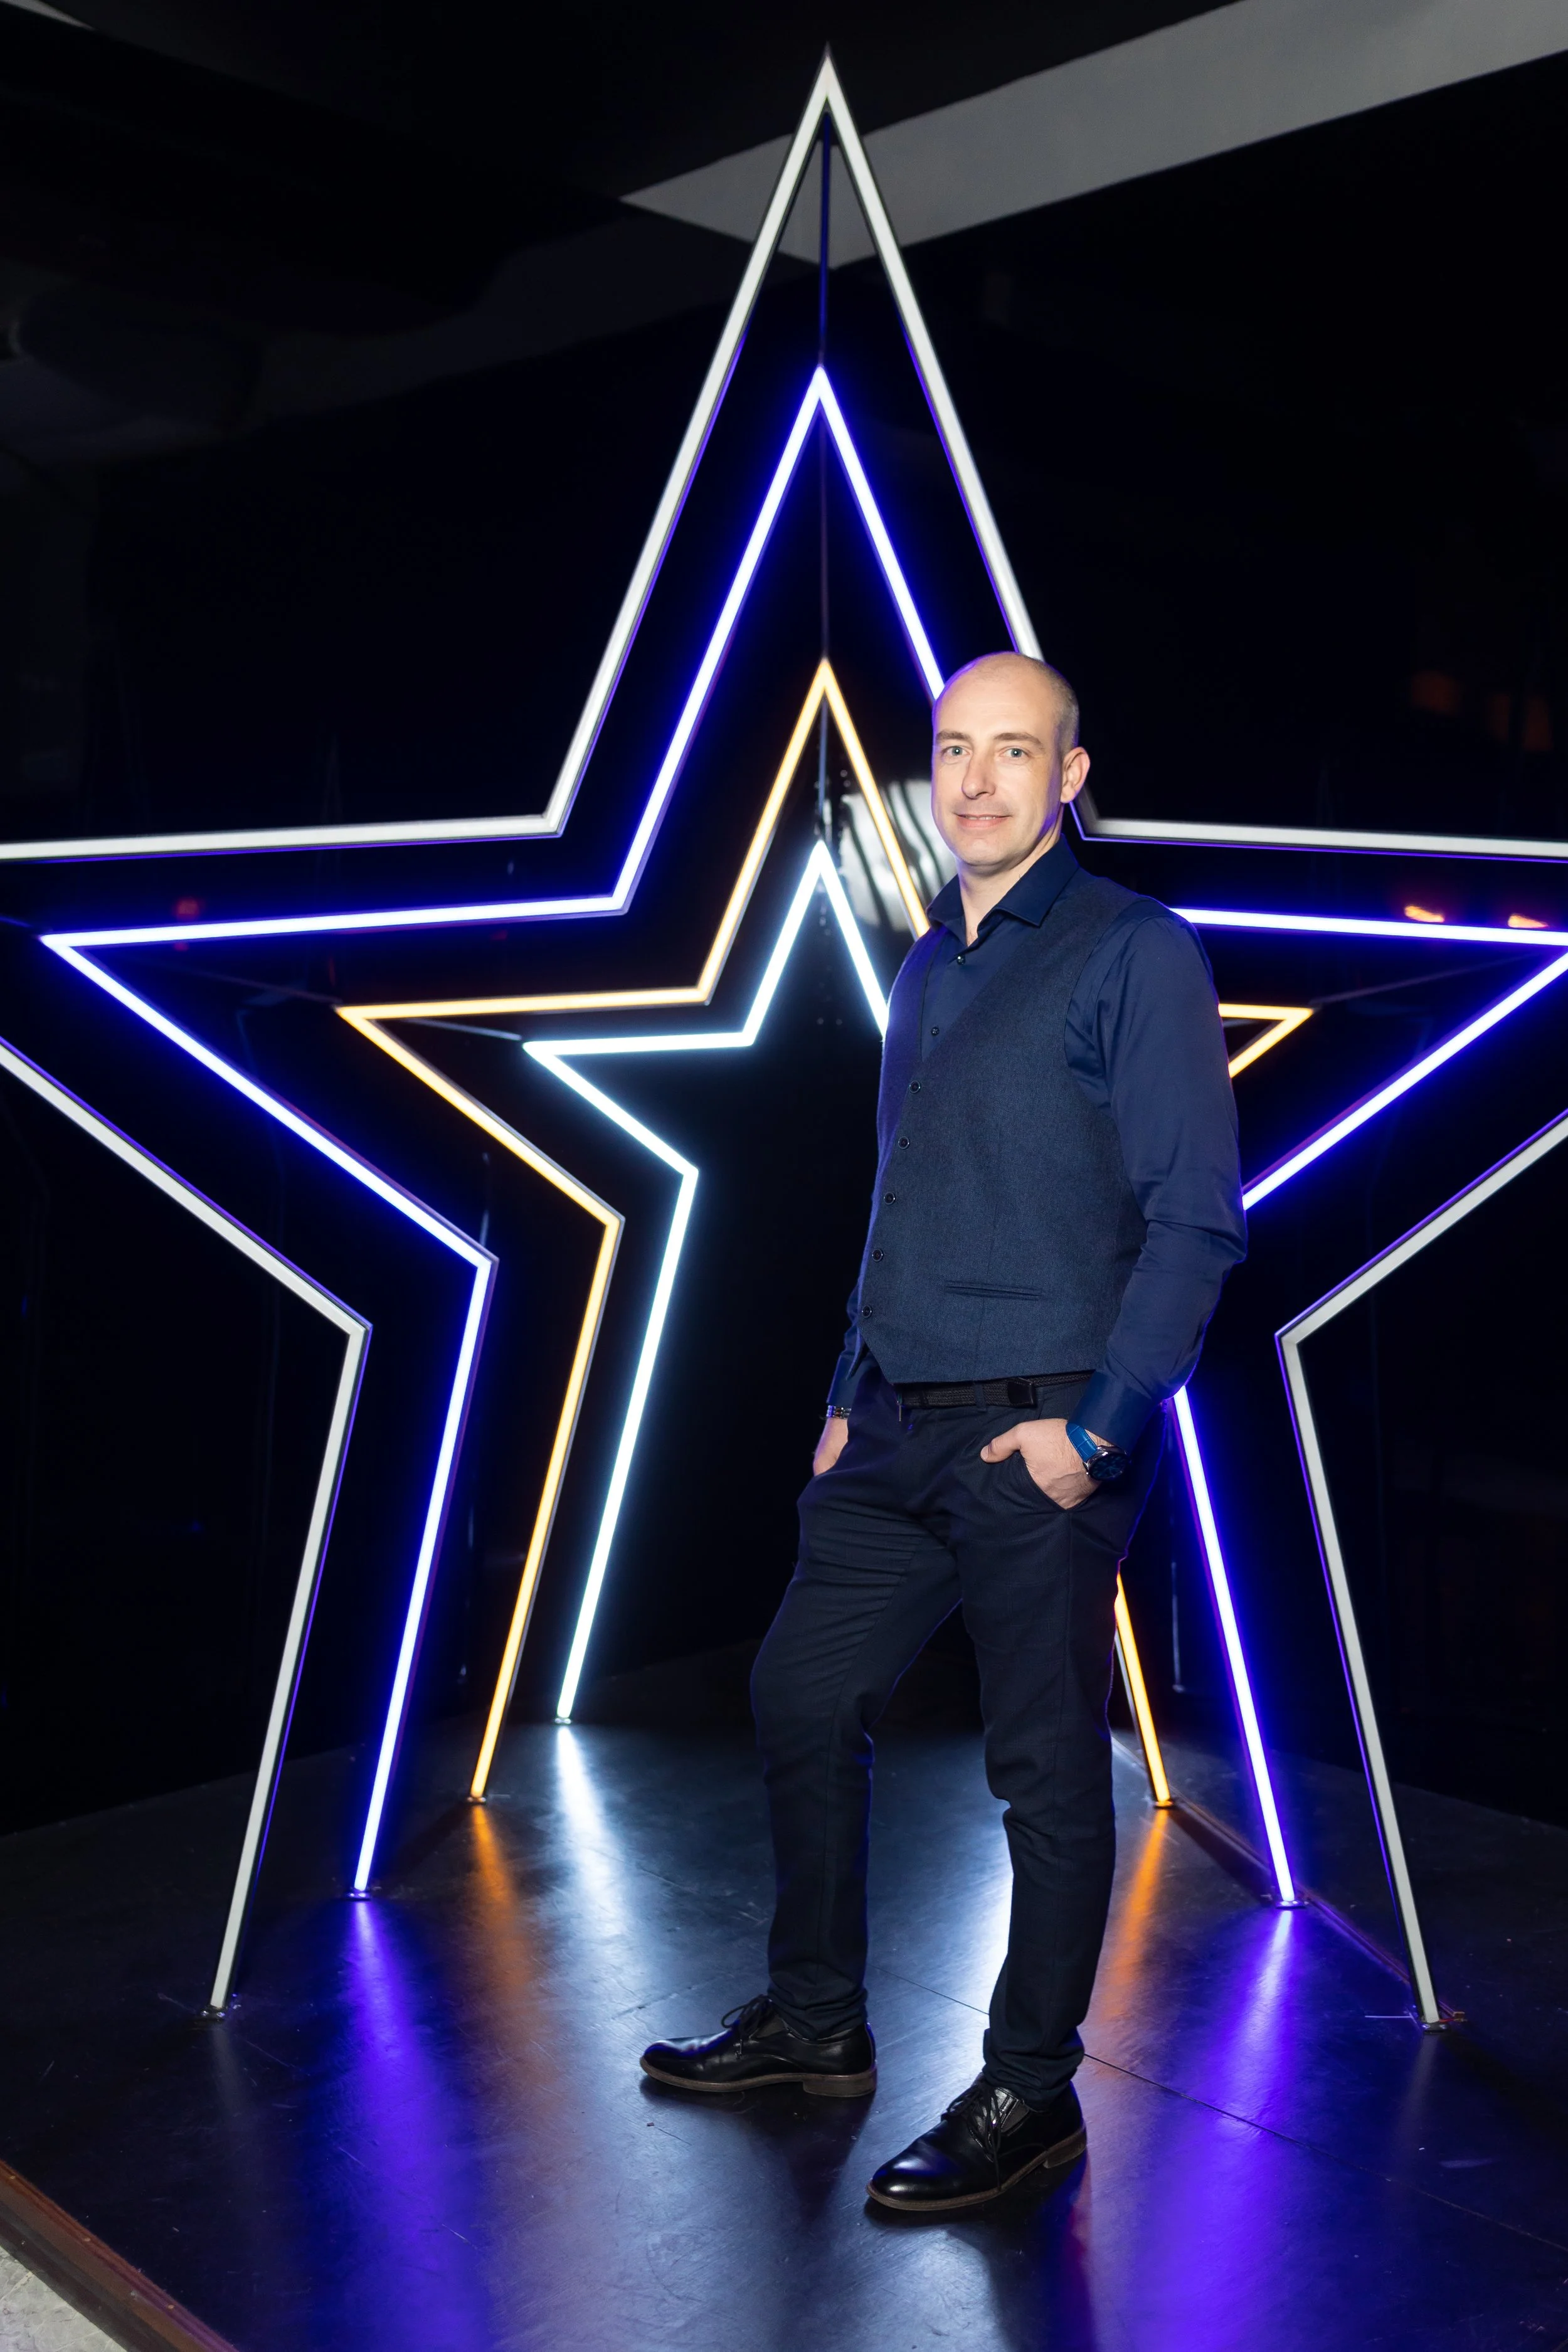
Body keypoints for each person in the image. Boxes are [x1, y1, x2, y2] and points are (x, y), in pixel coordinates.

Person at [640, 651, 1246, 2212]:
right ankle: (816, 2023)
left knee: (1040, 1773)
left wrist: (1090, 1435)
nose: (975, 782)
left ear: (1069, 776)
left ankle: (1029, 2094)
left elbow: (1195, 1222)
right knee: (796, 1693)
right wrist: (845, 1396)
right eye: (954, 750)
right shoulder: (924, 965)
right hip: (891, 1430)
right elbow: (895, 1197)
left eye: (1012, 752)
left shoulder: (1135, 950)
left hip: (1037, 1445)